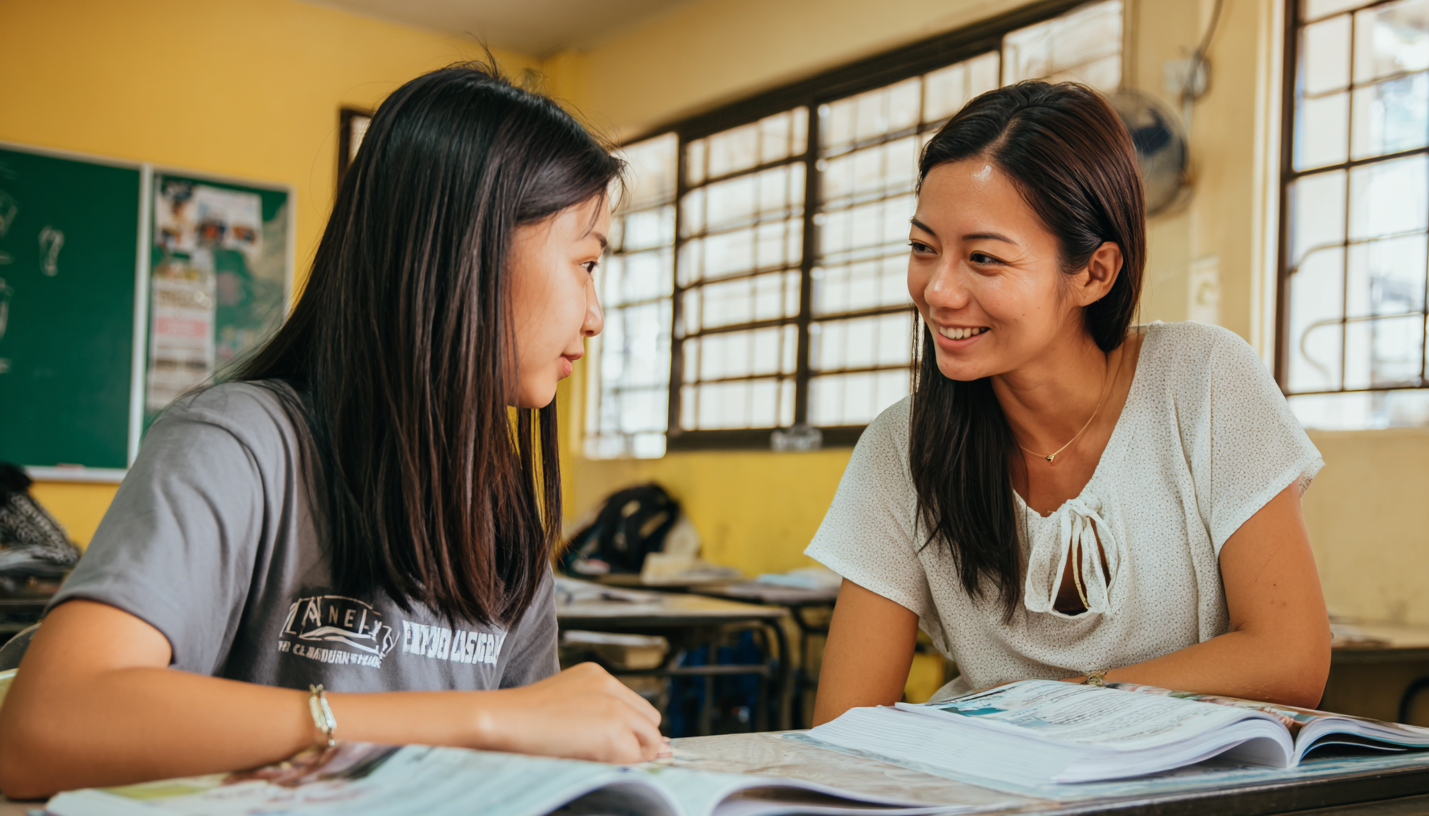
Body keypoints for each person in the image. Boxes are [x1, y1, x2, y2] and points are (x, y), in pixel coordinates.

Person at [0, 63, 665, 800]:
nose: (596, 315)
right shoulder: (239, 446)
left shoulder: (497, 513)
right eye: (587, 262)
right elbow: (47, 726)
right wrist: (479, 718)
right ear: (467, 251)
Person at [808, 82, 1331, 726]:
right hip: (987, 787)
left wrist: (1050, 706)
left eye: (983, 258)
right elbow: (845, 720)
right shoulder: (902, 446)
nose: (938, 290)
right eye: (923, 248)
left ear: (1094, 273)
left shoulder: (1203, 381)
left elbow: (1289, 659)